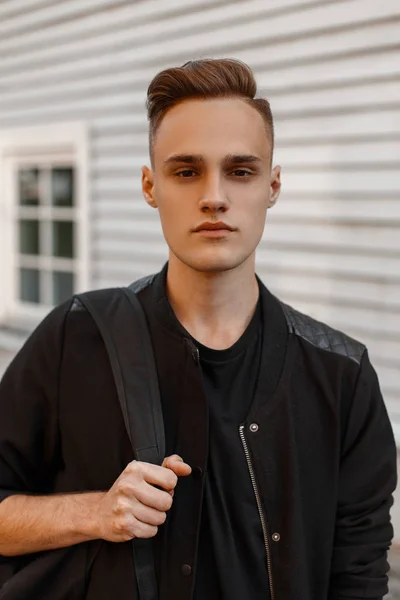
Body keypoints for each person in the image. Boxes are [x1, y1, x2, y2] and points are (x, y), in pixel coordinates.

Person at [0, 58, 396, 600]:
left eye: (240, 170)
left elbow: (359, 576)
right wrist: (93, 512)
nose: (214, 196)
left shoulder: (342, 377)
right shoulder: (76, 337)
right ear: (149, 186)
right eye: (186, 171)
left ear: (273, 185)